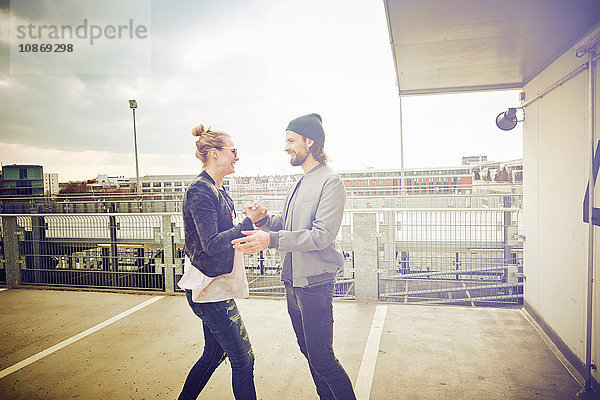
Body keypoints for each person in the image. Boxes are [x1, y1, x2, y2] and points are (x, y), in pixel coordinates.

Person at [232, 113, 356, 400]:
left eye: (291, 140)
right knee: (310, 354)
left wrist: (271, 240)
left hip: (315, 283)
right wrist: (261, 219)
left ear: (310, 142)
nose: (286, 147)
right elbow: (287, 226)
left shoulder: (331, 182)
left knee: (323, 359)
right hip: (292, 281)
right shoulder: (299, 183)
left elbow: (321, 235)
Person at [177, 124, 257, 400]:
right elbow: (209, 243)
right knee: (244, 359)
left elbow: (222, 237)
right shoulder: (201, 191)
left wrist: (245, 232)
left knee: (213, 355)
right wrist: (247, 224)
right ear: (214, 153)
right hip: (208, 289)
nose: (237, 156)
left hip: (214, 285)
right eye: (233, 151)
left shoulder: (217, 190)